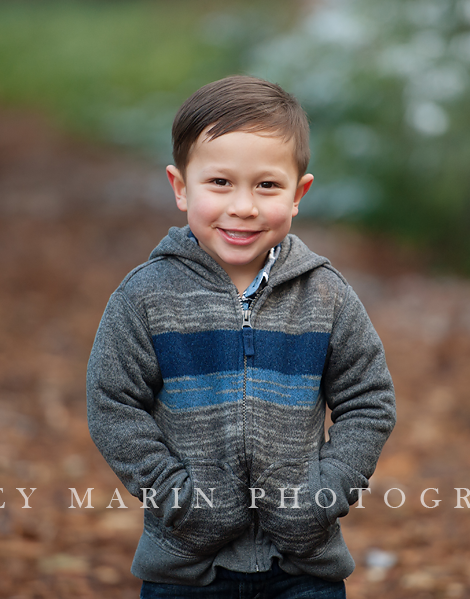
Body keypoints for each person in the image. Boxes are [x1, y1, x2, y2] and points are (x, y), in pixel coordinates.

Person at [86, 75, 397, 599]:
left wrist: (322, 495)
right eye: (220, 183)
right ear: (181, 187)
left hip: (303, 569)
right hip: (186, 569)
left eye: (267, 186)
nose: (244, 207)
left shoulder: (326, 296)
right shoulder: (147, 297)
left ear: (299, 194)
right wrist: (178, 498)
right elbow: (113, 402)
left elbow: (368, 400)